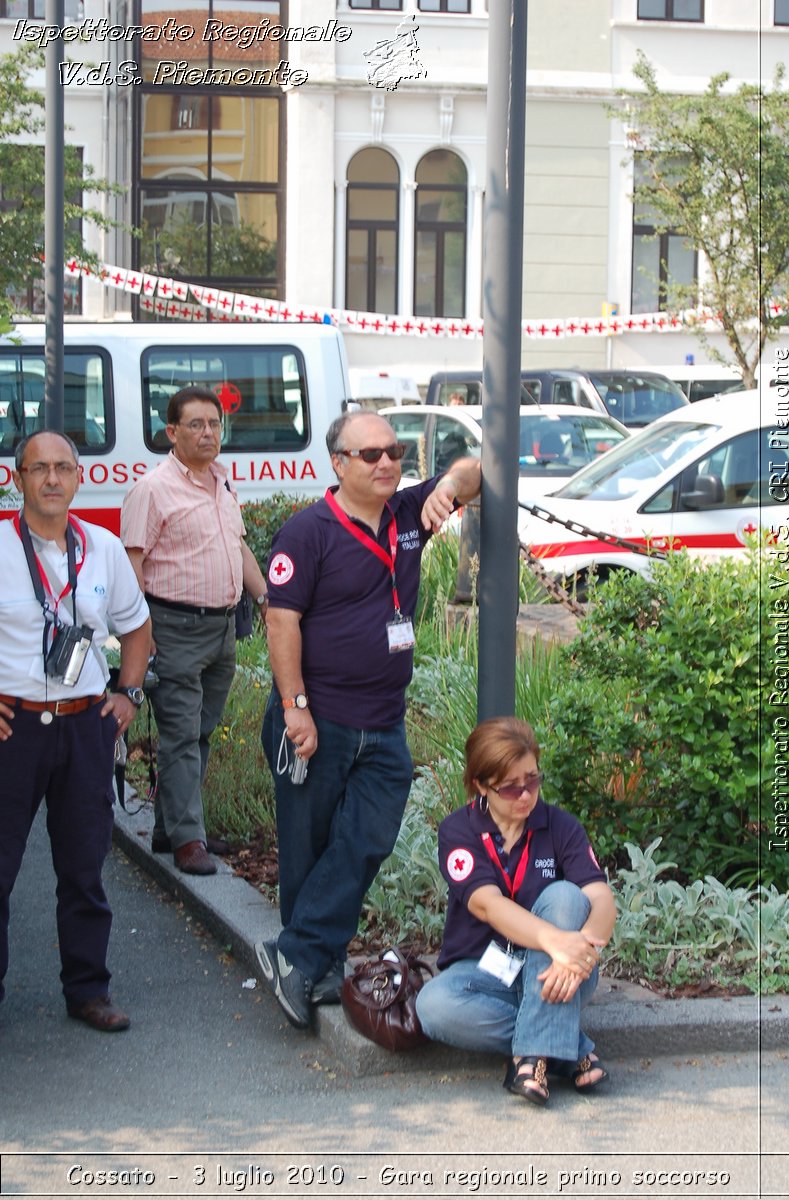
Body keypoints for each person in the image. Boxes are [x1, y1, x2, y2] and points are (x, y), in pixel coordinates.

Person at [256, 410, 481, 1029]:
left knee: (367, 840)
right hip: (318, 717)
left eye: (395, 451)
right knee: (310, 849)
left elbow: (476, 470)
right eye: (369, 455)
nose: (386, 463)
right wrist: (296, 708)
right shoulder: (309, 532)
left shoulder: (409, 515)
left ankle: (295, 960)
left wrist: (447, 486)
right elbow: (281, 621)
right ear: (338, 463)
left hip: (383, 721)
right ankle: (315, 970)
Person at [0, 431, 151, 1032]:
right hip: (13, 731)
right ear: (18, 479)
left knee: (84, 867)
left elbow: (136, 629)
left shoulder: (104, 549)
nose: (53, 479)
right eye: (40, 469)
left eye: (64, 467)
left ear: (78, 478)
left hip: (83, 726)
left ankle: (88, 991)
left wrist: (129, 693)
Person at [416, 716, 616, 1105]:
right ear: (481, 785)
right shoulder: (458, 831)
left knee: (566, 897)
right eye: (510, 788)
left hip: (561, 975)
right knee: (433, 1007)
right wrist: (556, 941)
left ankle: (532, 1057)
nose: (525, 795)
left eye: (533, 781)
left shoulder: (560, 827)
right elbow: (487, 905)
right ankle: (566, 1048)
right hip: (482, 971)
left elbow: (602, 899)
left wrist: (579, 954)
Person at [121, 386, 269, 876]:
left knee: (201, 732)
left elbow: (240, 549)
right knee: (181, 735)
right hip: (174, 626)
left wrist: (267, 599)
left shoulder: (223, 483)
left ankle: (171, 827)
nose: (208, 433)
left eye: (214, 424)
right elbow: (132, 566)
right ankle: (189, 841)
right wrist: (143, 637)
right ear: (172, 432)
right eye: (196, 425)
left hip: (222, 627)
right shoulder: (153, 489)